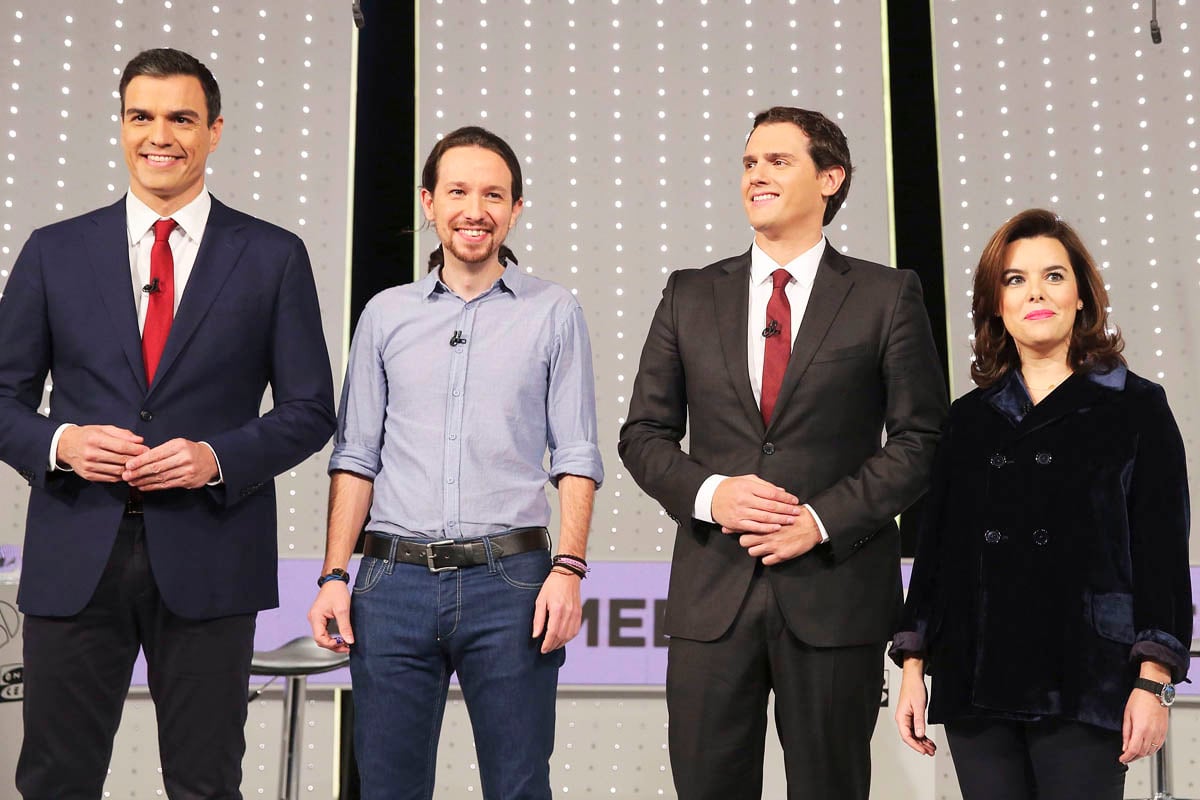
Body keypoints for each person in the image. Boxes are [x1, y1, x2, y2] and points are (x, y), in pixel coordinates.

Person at [0, 47, 336, 798]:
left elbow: (312, 410)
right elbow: (2, 399)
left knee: (206, 783)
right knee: (55, 780)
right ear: (120, 126)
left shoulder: (273, 256)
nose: (161, 135)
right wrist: (62, 442)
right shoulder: (55, 253)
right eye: (142, 116)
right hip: (74, 554)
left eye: (182, 118)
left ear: (214, 131)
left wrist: (215, 457)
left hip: (212, 553)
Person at [618, 106, 947, 799]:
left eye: (777, 161)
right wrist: (715, 495)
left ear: (831, 179)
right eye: (748, 163)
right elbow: (642, 435)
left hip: (835, 598)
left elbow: (921, 441)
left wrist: (820, 520)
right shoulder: (689, 293)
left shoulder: (887, 296)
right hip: (713, 601)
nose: (756, 175)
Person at [307, 125, 603, 800]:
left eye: (494, 194)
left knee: (520, 787)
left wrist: (570, 568)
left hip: (514, 582)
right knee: (386, 789)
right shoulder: (385, 315)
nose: (476, 208)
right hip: (391, 583)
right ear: (429, 203)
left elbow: (577, 451)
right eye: (459, 191)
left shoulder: (554, 312)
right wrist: (333, 575)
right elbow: (355, 456)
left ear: (516, 209)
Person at [892, 208, 1192, 800]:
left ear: (1082, 295)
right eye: (1015, 279)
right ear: (996, 303)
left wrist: (1154, 680)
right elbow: (936, 555)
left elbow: (1161, 556)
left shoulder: (1136, 408)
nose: (1036, 293)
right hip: (978, 675)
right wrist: (912, 666)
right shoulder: (969, 419)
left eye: (1054, 276)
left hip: (1087, 677)